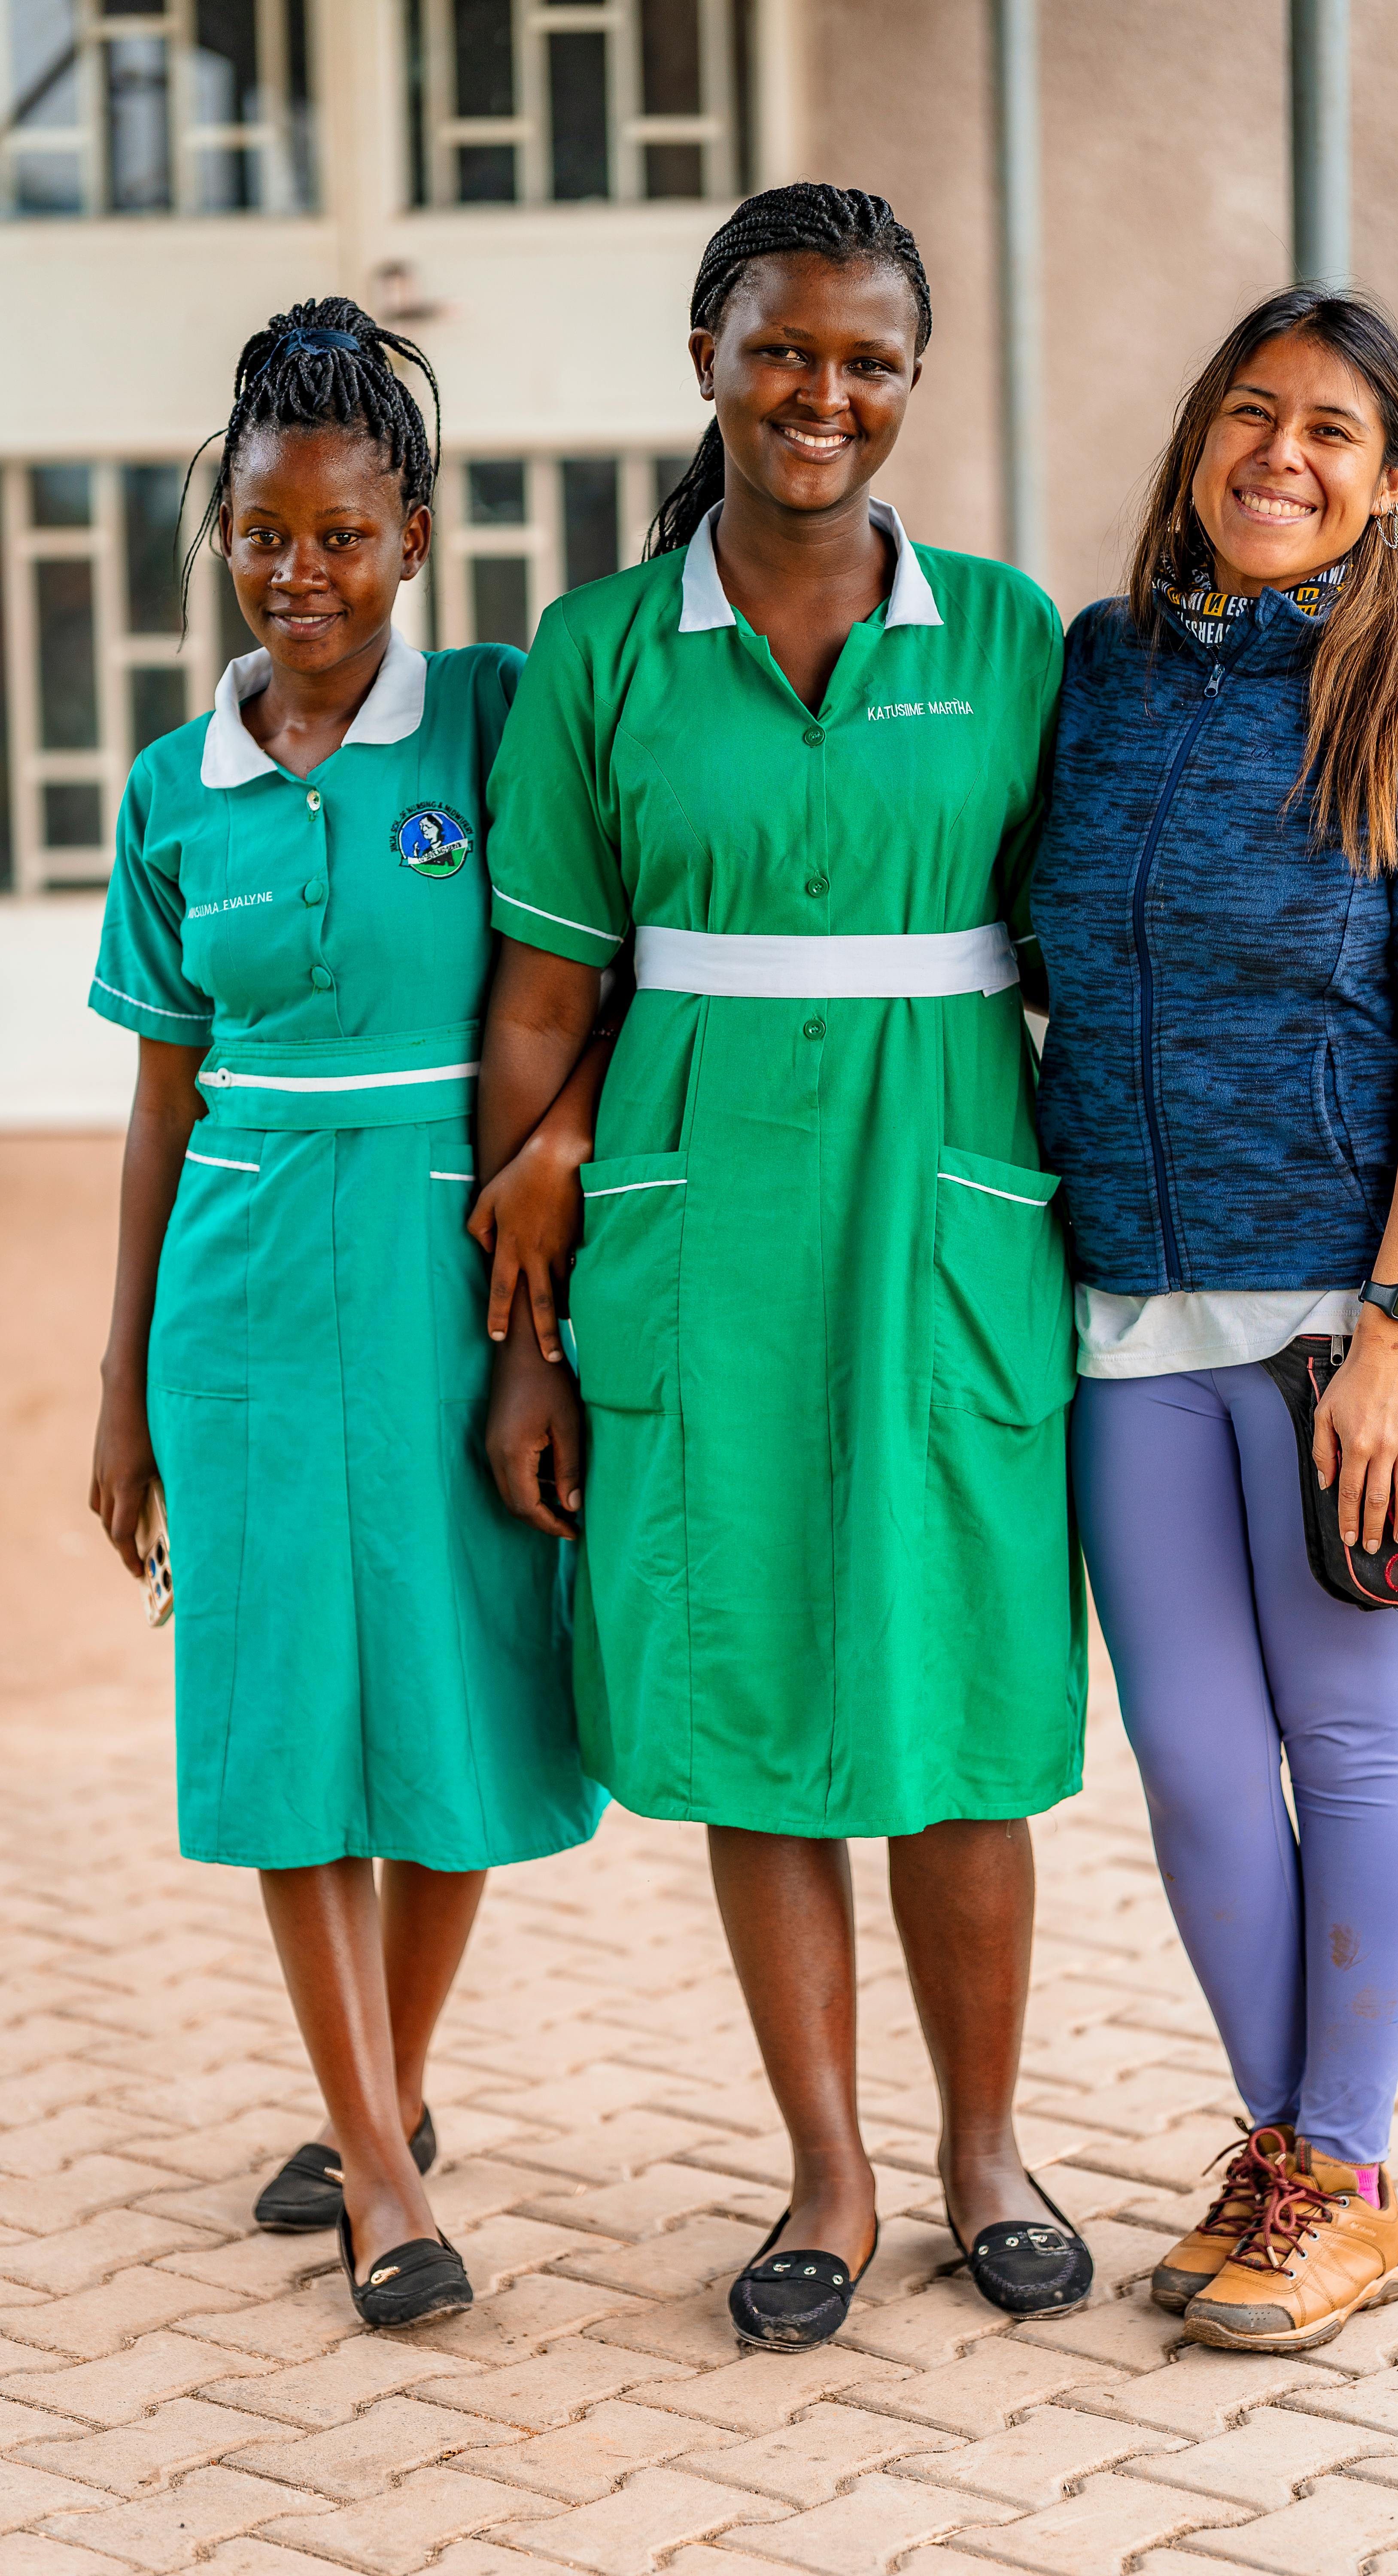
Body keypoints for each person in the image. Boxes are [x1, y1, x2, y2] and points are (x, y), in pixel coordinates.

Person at [470, 185, 1090, 2351]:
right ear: (711, 357)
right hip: (694, 1223)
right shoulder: (604, 652)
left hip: (943, 1207)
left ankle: (983, 2149)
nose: (821, 392)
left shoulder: (1015, 638)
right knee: (753, 1701)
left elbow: (1108, 954)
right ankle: (825, 2176)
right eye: (782, 347)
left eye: (867, 359)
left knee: (965, 1706)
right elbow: (546, 997)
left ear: (910, 383)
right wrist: (528, 1330)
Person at [1031, 287, 1398, 2354]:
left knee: (1343, 1737)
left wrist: (1396, 1335)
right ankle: (1290, 2165)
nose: (1282, 457)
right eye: (1250, 416)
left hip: (1356, 1309)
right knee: (1179, 1755)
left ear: (1390, 476)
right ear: (1196, 442)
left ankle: (1336, 2167)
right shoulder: (1101, 672)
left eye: (1333, 431)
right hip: (1138, 1299)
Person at [86, 299, 605, 2331]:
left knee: (458, 1696)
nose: (300, 576)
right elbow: (157, 1099)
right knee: (289, 1709)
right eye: (263, 537)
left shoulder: (491, 722)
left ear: (414, 526)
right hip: (237, 1295)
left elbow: (587, 979)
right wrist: (117, 1384)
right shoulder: (174, 788)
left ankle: (385, 2086)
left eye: (341, 536)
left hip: (448, 1274)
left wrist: (548, 1219)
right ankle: (380, 2162)